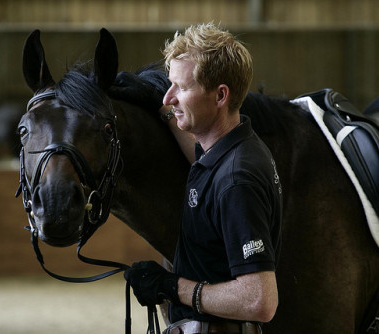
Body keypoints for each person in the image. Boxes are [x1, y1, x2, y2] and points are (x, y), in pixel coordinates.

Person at [110, 22, 282, 334]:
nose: (168, 97)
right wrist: (157, 107)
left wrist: (173, 287)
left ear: (220, 96)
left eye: (182, 88)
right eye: (169, 85)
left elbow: (259, 300)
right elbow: (188, 138)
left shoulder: (237, 179)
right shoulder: (220, 152)